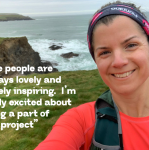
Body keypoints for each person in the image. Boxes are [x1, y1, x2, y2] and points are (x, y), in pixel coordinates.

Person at [35, 1, 149, 150]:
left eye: (131, 45)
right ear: (95, 59)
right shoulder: (81, 121)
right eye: (105, 52)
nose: (119, 62)